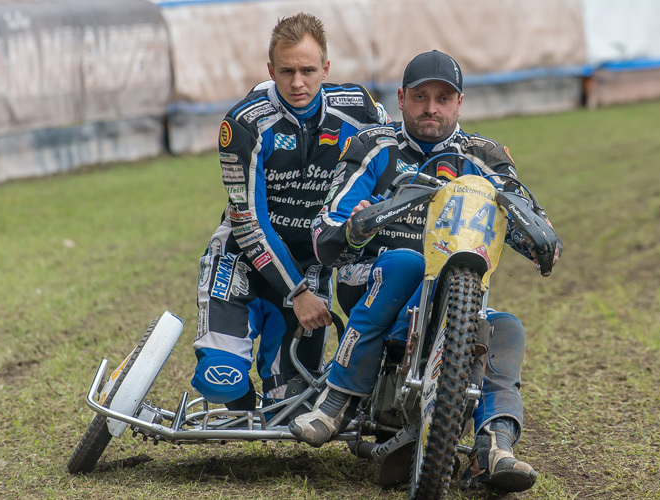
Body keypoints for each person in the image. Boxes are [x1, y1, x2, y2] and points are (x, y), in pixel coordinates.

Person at [289, 50, 561, 493]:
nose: (431, 108)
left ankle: (495, 445)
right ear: (401, 98)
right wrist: (357, 225)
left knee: (507, 328)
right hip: (376, 281)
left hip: (453, 291)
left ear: (460, 103)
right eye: (420, 97)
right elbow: (325, 231)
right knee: (406, 262)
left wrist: (539, 235)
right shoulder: (374, 146)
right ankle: (335, 401)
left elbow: (533, 222)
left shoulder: (485, 156)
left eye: (443, 97)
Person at [191, 13, 389, 415]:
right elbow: (248, 222)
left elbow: (400, 150)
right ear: (271, 70)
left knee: (292, 406)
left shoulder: (361, 110)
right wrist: (296, 293)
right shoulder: (243, 124)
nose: (298, 83)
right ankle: (240, 407)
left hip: (310, 264)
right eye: (287, 71)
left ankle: (272, 400)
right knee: (220, 381)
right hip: (241, 261)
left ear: (326, 68)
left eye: (308, 70)